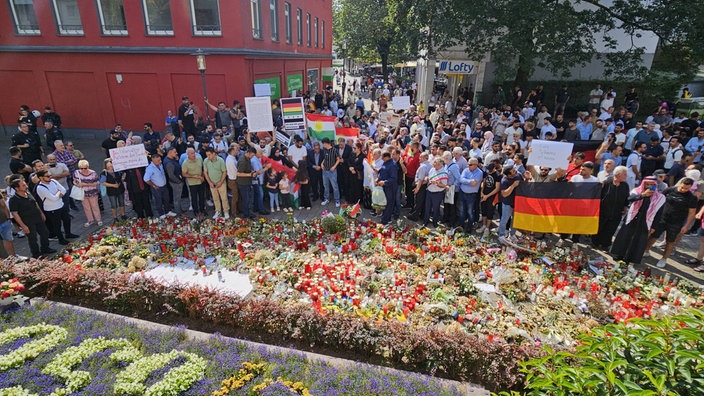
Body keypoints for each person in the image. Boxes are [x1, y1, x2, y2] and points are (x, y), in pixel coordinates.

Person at [643, 178, 698, 268]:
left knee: (670, 241)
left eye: (686, 189)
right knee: (653, 236)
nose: (683, 190)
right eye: (682, 187)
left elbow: (692, 212)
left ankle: (664, 258)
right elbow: (659, 200)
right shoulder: (670, 190)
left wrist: (686, 225)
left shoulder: (692, 197)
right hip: (663, 218)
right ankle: (646, 250)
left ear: (690, 187)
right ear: (680, 184)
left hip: (676, 222)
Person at [610, 177, 665, 265]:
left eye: (652, 185)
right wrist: (643, 195)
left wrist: (654, 226)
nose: (649, 187)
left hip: (646, 221)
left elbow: (659, 213)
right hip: (632, 217)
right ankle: (618, 255)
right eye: (647, 184)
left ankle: (631, 258)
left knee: (638, 240)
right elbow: (630, 199)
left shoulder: (660, 197)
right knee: (625, 237)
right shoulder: (637, 191)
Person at [8, 178, 56, 258]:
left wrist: (41, 213)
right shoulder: (13, 200)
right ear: (16, 188)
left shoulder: (28, 193)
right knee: (32, 239)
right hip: (28, 222)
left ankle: (45, 248)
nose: (26, 186)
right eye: (23, 185)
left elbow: (35, 203)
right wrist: (23, 226)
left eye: (25, 184)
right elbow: (15, 214)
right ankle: (36, 254)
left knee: (45, 233)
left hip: (38, 218)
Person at [591, 166, 630, 250]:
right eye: (624, 174)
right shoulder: (606, 183)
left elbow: (627, 197)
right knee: (600, 227)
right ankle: (595, 242)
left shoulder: (625, 185)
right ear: (617, 174)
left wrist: (625, 207)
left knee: (611, 229)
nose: (626, 176)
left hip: (617, 212)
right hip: (603, 210)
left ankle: (605, 244)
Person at [73, 160, 102, 227]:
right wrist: (77, 184)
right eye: (81, 168)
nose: (83, 170)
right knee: (86, 207)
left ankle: (98, 220)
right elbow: (74, 181)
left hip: (93, 192)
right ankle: (90, 220)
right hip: (83, 193)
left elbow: (97, 183)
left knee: (95, 206)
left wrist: (85, 184)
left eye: (85, 168)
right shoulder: (76, 172)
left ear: (88, 167)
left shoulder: (93, 173)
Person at [498, 165, 523, 241]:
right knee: (504, 220)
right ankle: (501, 235)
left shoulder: (518, 175)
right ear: (509, 175)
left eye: (514, 169)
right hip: (507, 203)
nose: (515, 171)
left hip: (517, 202)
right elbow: (504, 194)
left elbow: (523, 183)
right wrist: (513, 186)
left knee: (515, 220)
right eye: (513, 171)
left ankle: (512, 234)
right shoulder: (504, 181)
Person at [143, 154, 173, 219]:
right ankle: (161, 214)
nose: (160, 161)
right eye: (158, 160)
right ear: (153, 160)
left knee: (166, 199)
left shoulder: (160, 165)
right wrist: (153, 185)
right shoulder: (150, 168)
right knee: (158, 200)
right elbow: (146, 179)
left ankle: (168, 211)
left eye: (160, 160)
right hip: (157, 187)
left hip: (164, 186)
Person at [203, 147, 229, 219]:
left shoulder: (220, 160)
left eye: (209, 155)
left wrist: (220, 182)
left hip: (221, 182)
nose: (208, 156)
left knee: (224, 198)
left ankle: (226, 211)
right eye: (207, 155)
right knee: (215, 198)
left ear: (214, 153)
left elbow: (224, 172)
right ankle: (218, 211)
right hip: (212, 183)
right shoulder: (206, 161)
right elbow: (205, 172)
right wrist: (209, 182)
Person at [458, 158, 483, 233]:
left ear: (475, 165)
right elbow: (460, 179)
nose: (468, 166)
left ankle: (469, 227)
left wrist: (465, 181)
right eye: (468, 164)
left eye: (470, 165)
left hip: (471, 195)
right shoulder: (466, 170)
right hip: (462, 193)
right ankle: (461, 225)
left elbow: (474, 183)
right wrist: (469, 181)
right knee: (462, 211)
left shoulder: (479, 173)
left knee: (470, 211)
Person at [423, 158, 449, 228]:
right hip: (429, 191)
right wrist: (427, 178)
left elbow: (444, 186)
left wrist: (437, 183)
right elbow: (429, 176)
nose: (433, 164)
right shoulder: (432, 169)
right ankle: (425, 221)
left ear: (440, 165)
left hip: (437, 194)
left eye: (435, 163)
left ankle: (435, 222)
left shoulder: (444, 173)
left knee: (436, 209)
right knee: (427, 207)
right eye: (434, 163)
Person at [181, 147, 206, 220]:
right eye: (191, 153)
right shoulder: (185, 163)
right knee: (194, 198)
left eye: (194, 152)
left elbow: (203, 169)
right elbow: (184, 174)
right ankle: (196, 211)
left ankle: (202, 210)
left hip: (201, 181)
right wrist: (193, 176)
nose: (194, 154)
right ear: (187, 154)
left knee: (202, 197)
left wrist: (203, 176)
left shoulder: (199, 159)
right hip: (192, 183)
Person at [100, 158, 127, 223]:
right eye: (109, 167)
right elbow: (103, 182)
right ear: (106, 166)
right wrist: (113, 185)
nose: (111, 168)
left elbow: (124, 172)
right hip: (111, 191)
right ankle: (115, 218)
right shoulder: (104, 173)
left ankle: (123, 215)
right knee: (114, 205)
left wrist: (123, 178)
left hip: (120, 189)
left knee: (121, 203)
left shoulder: (117, 170)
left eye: (111, 166)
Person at [376, 152, 398, 225]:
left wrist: (384, 182)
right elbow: (381, 171)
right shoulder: (385, 163)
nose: (382, 159)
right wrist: (378, 179)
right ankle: (385, 217)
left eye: (383, 157)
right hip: (383, 187)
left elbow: (393, 178)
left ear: (387, 157)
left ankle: (385, 220)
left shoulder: (393, 165)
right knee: (384, 202)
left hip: (390, 187)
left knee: (389, 203)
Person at [320, 138, 343, 207]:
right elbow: (325, 158)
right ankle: (326, 198)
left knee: (335, 186)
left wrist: (334, 167)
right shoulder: (324, 150)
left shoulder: (334, 150)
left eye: (323, 143)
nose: (322, 145)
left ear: (326, 143)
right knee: (325, 185)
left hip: (332, 171)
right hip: (324, 170)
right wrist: (322, 163)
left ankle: (337, 200)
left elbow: (338, 159)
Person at [225, 145, 240, 217]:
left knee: (236, 196)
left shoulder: (232, 158)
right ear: (233, 151)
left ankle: (237, 210)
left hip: (233, 179)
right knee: (235, 197)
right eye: (236, 150)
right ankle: (234, 212)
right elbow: (235, 172)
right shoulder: (230, 160)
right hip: (233, 180)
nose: (238, 151)